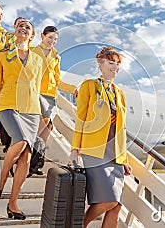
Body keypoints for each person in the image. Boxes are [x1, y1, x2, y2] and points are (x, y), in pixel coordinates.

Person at [68, 46, 132, 228]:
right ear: (100, 64)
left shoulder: (120, 93)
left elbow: (122, 127)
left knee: (116, 206)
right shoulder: (89, 85)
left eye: (118, 64)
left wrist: (124, 158)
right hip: (95, 151)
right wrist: (74, 149)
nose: (115, 67)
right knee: (108, 201)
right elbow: (80, 118)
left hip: (115, 153)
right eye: (111, 63)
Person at [0, 20, 42, 220]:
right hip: (7, 105)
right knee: (21, 140)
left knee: (26, 156)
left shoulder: (38, 59)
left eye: (27, 27)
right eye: (20, 25)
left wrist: (43, 115)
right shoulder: (3, 56)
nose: (23, 28)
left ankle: (13, 203)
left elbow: (37, 87)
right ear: (15, 31)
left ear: (31, 36)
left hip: (31, 110)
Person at [32, 26, 77, 144]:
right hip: (36, 93)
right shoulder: (32, 51)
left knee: (48, 127)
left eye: (55, 39)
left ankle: (38, 154)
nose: (52, 41)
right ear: (42, 36)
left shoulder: (56, 56)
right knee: (45, 121)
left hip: (50, 94)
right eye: (50, 37)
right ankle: (30, 143)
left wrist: (73, 89)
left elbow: (58, 80)